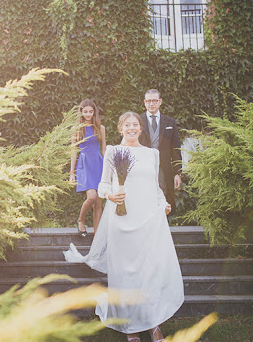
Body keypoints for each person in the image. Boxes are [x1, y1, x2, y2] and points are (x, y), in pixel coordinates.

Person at [64, 112, 184, 342]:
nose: (131, 128)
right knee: (126, 274)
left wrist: (163, 203)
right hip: (122, 221)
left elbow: (155, 187)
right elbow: (102, 185)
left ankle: (153, 324)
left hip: (148, 221)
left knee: (149, 273)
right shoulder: (113, 151)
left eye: (135, 125)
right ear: (120, 129)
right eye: (127, 125)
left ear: (141, 129)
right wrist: (111, 195)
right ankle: (131, 327)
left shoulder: (152, 154)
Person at [139, 89, 182, 214]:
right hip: (143, 166)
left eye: (154, 101)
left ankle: (160, 226)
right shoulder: (137, 121)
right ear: (144, 102)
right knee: (144, 195)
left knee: (163, 194)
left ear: (160, 102)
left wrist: (178, 173)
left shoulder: (170, 122)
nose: (151, 104)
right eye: (148, 101)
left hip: (163, 167)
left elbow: (176, 149)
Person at [69, 99, 106, 236]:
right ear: (81, 112)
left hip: (98, 164)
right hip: (84, 165)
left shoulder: (100, 128)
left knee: (98, 203)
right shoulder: (77, 129)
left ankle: (97, 237)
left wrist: (109, 169)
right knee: (91, 197)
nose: (88, 114)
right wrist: (72, 172)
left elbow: (104, 150)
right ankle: (81, 220)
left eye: (91, 111)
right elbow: (73, 151)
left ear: (94, 112)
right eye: (85, 111)